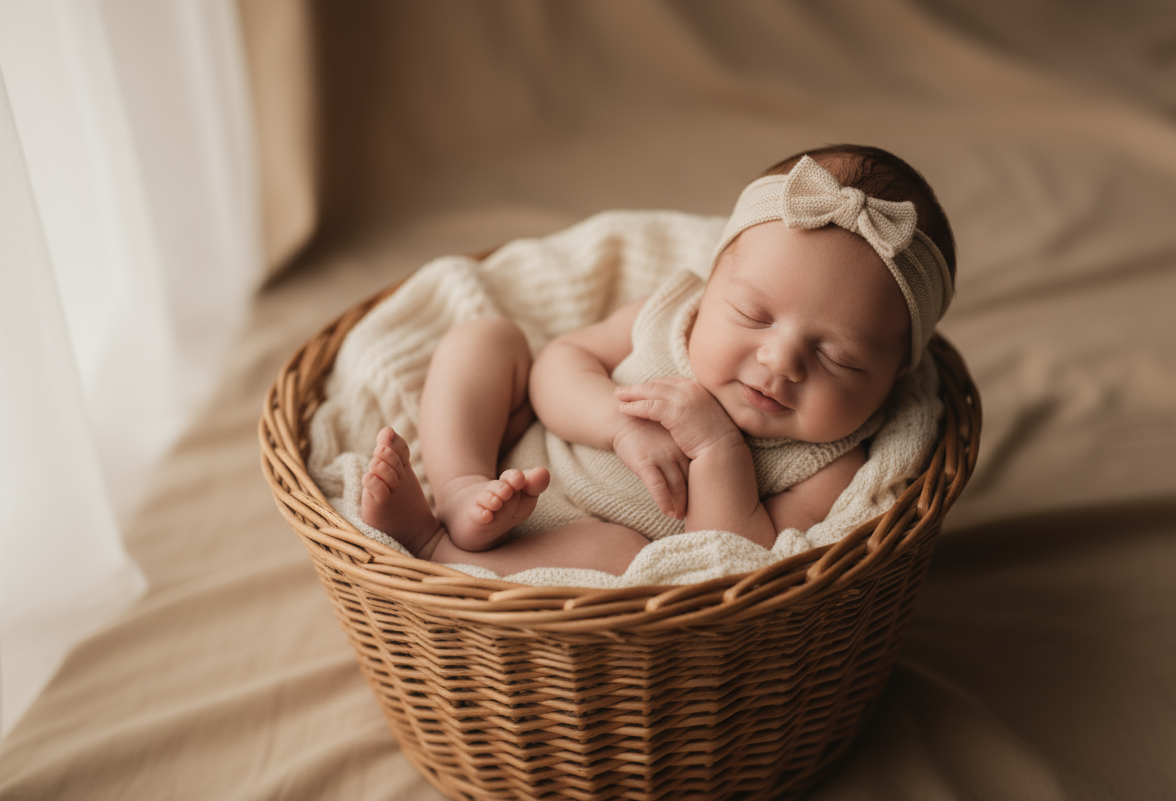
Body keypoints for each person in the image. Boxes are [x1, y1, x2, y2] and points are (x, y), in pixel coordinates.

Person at [359, 144, 956, 576]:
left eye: (838, 358)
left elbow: (734, 561)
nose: (780, 361)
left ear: (894, 377)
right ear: (712, 284)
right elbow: (559, 364)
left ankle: (437, 551)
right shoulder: (668, 316)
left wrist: (717, 449)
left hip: (579, 548)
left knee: (624, 556)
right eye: (752, 314)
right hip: (516, 462)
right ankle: (457, 485)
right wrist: (615, 424)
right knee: (487, 341)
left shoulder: (831, 466)